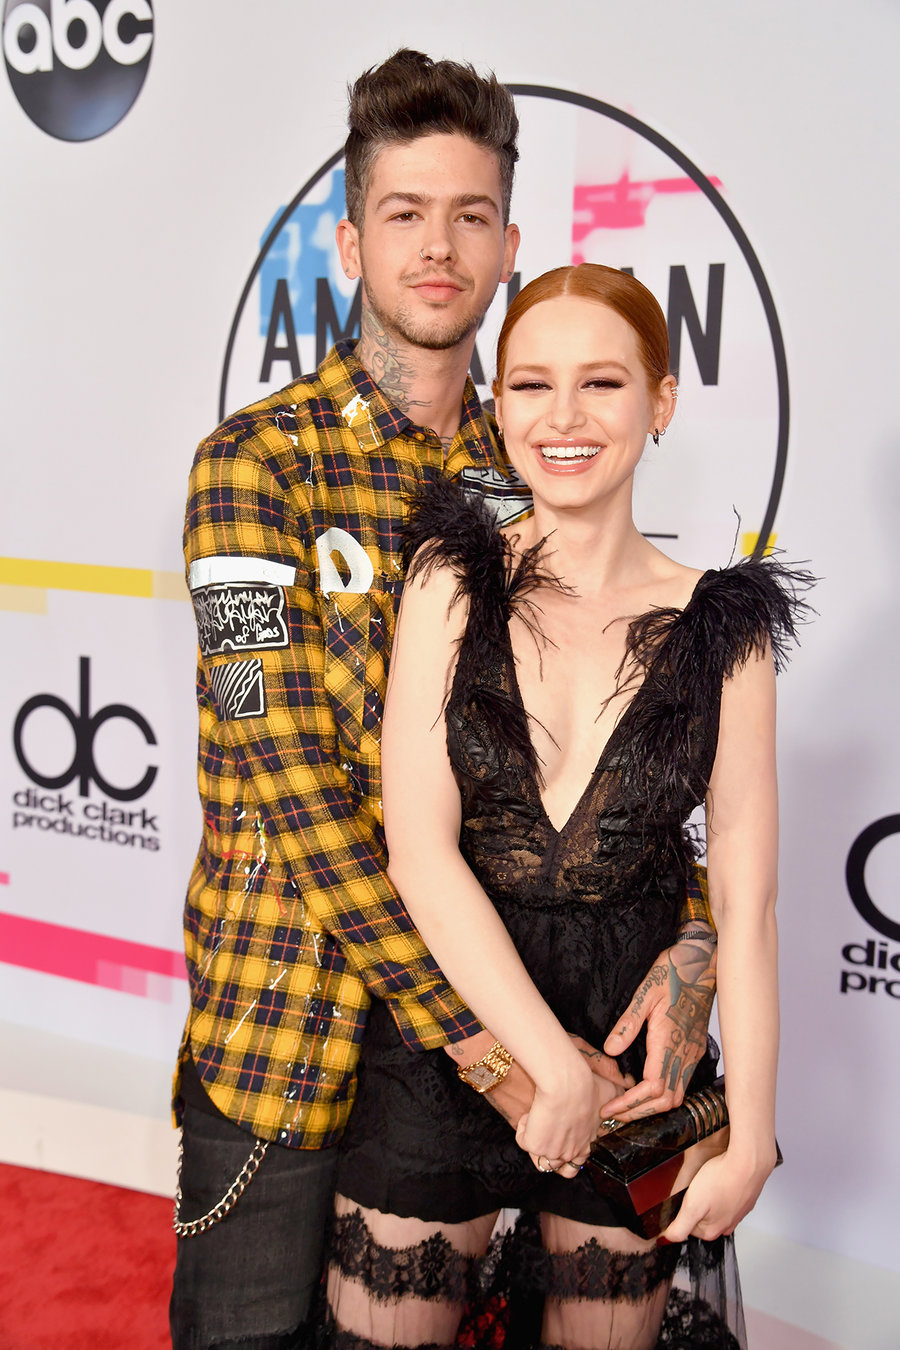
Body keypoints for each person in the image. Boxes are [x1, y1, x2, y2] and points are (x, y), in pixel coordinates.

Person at [170, 52, 717, 1350]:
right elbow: (293, 792)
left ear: (510, 244)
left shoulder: (537, 483)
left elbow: (620, 764)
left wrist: (692, 942)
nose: (439, 245)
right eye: (407, 213)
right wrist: (490, 1044)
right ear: (352, 238)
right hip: (297, 1043)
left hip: (514, 1050)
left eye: (471, 215)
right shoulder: (253, 468)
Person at [322, 264, 810, 1350]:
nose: (565, 419)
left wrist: (755, 1134)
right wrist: (543, 1065)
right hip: (453, 1037)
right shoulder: (449, 581)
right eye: (532, 386)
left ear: (662, 402)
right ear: (498, 404)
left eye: (602, 383)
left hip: (639, 1068)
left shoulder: (721, 630)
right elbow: (421, 851)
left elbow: (749, 899)